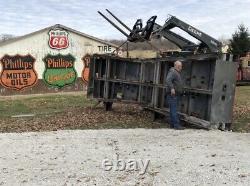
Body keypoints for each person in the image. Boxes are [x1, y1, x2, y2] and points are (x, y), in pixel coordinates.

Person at [166, 60, 185, 130]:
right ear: (177, 66)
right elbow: (168, 80)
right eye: (180, 66)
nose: (181, 68)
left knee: (172, 110)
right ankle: (176, 125)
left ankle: (172, 125)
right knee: (174, 109)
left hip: (175, 94)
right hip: (173, 95)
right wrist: (172, 88)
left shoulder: (175, 72)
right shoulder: (173, 72)